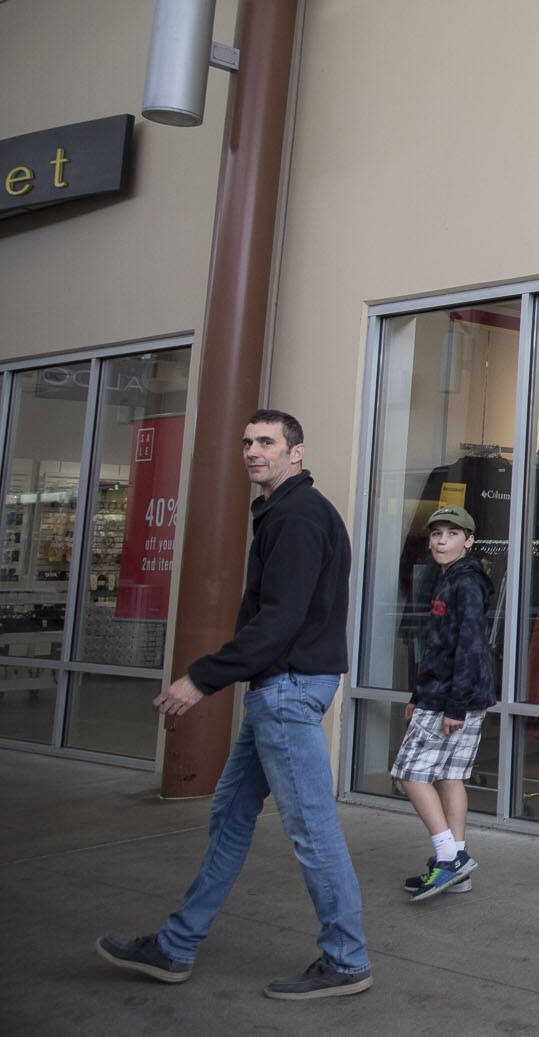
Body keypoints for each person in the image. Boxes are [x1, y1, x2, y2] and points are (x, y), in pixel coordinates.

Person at [96, 410, 371, 1000]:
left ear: (296, 452)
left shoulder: (297, 516)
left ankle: (347, 959)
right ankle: (176, 945)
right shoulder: (285, 512)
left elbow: (279, 621)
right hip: (280, 688)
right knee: (231, 816)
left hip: (288, 690)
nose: (253, 451)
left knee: (312, 831)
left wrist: (200, 680)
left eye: (267, 442)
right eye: (247, 441)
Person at [392, 503, 497, 901]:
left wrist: (452, 706)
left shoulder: (465, 583)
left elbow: (469, 647)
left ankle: (448, 858)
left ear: (468, 542)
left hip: (452, 700)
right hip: (449, 696)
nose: (441, 540)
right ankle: (458, 864)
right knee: (449, 776)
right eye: (436, 533)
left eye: (452, 534)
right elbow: (439, 646)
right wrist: (418, 695)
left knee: (410, 774)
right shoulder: (449, 578)